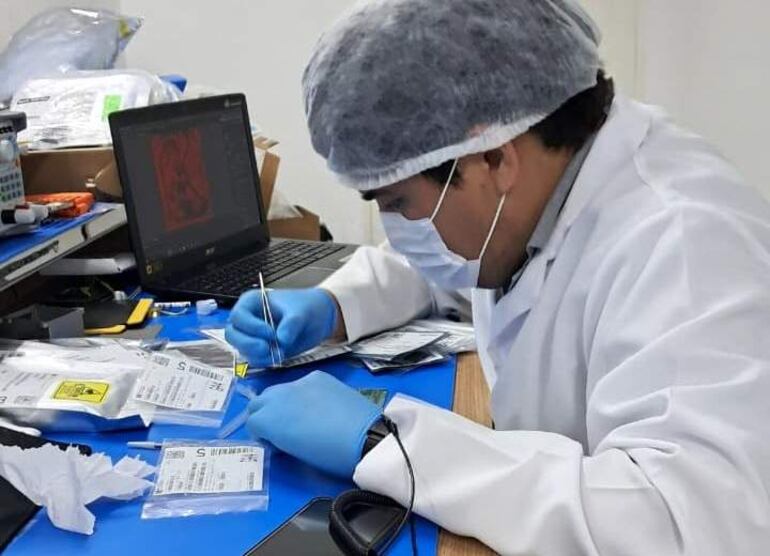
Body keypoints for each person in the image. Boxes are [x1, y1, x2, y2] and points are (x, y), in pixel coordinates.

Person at [226, 0, 770, 553]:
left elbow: (680, 524)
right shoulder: (539, 190)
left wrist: (389, 442)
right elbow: (449, 264)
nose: (400, 227)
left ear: (493, 158)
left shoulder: (686, 248)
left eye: (398, 201)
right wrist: (335, 305)